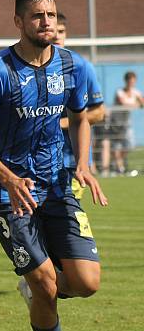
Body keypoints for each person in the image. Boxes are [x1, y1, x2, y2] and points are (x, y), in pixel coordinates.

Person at [0, 0, 108, 331]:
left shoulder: (72, 66)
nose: (46, 22)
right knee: (47, 284)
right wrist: (8, 178)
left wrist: (83, 162)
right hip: (11, 194)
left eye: (50, 15)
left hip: (59, 185)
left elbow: (82, 116)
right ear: (19, 22)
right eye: (36, 16)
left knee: (86, 283)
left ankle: (35, 287)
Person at [53, 12, 106, 199]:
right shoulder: (30, 69)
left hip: (72, 160)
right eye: (54, 31)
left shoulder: (81, 67)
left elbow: (99, 113)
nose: (57, 36)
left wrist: (61, 123)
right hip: (37, 160)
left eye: (62, 31)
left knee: (68, 218)